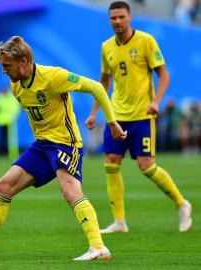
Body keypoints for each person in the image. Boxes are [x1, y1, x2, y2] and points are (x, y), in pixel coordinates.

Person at [0, 36, 127, 261]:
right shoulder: (16, 85)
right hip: (43, 145)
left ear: (23, 61)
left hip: (66, 143)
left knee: (70, 190)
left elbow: (96, 87)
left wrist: (112, 123)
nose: (4, 71)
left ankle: (98, 247)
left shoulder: (54, 77)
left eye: (7, 66)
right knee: (4, 185)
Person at [84, 1, 192, 234]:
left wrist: (156, 102)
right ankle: (119, 222)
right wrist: (94, 112)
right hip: (116, 116)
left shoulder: (145, 41)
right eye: (113, 18)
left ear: (130, 17)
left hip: (143, 114)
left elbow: (163, 74)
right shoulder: (107, 47)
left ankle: (182, 203)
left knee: (146, 166)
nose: (117, 21)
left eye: (121, 17)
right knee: (111, 163)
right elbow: (104, 82)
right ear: (109, 20)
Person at [0, 86, 20, 157]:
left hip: (10, 121)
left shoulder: (10, 98)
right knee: (2, 137)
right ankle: (2, 152)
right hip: (1, 121)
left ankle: (8, 152)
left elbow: (15, 108)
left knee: (9, 138)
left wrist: (14, 116)